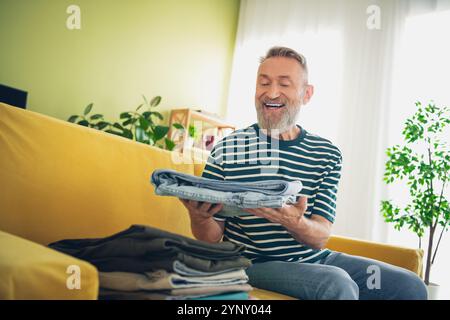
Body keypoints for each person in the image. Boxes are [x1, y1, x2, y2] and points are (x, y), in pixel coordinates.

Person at [179, 46, 427, 300]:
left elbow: (320, 236)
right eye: (264, 83)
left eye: (284, 84)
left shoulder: (326, 153)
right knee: (335, 283)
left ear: (306, 94)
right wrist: (199, 217)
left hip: (315, 259)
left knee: (409, 285)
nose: (271, 92)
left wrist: (292, 221)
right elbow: (211, 238)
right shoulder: (227, 148)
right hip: (251, 263)